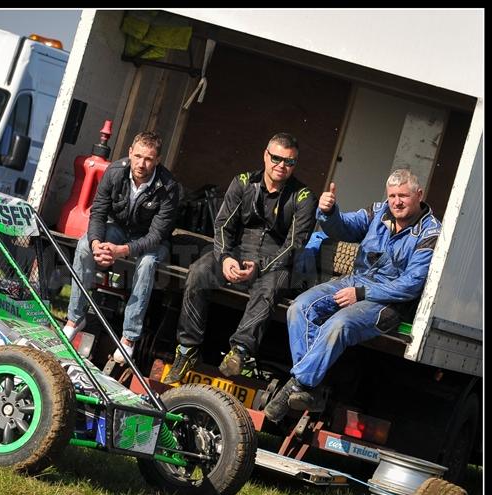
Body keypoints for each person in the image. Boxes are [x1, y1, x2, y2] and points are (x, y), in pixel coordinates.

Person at [263, 169, 441, 423]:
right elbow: (344, 229)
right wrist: (329, 212)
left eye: (403, 195)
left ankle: (298, 385)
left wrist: (362, 293)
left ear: (419, 195)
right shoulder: (378, 211)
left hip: (388, 302)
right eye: (392, 196)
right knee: (299, 307)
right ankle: (309, 388)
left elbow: (410, 285)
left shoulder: (430, 233)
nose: (397, 202)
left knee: (340, 324)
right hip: (354, 282)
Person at [163, 133, 317, 384]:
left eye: (289, 162)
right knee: (198, 271)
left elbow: (294, 245)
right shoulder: (244, 182)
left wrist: (259, 268)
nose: (281, 165)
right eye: (276, 158)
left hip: (275, 263)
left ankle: (239, 352)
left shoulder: (303, 196)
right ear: (265, 156)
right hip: (235, 252)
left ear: (295, 164)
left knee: (271, 287)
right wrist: (224, 258)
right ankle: (187, 349)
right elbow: (223, 225)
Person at [62, 131, 180, 363]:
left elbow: (157, 235)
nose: (141, 163)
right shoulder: (115, 172)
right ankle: (75, 319)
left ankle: (129, 337)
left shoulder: (169, 187)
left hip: (151, 240)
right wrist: (98, 244)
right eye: (137, 156)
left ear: (158, 160)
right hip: (118, 228)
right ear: (129, 153)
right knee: (85, 245)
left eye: (148, 159)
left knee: (146, 263)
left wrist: (121, 251)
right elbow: (98, 212)